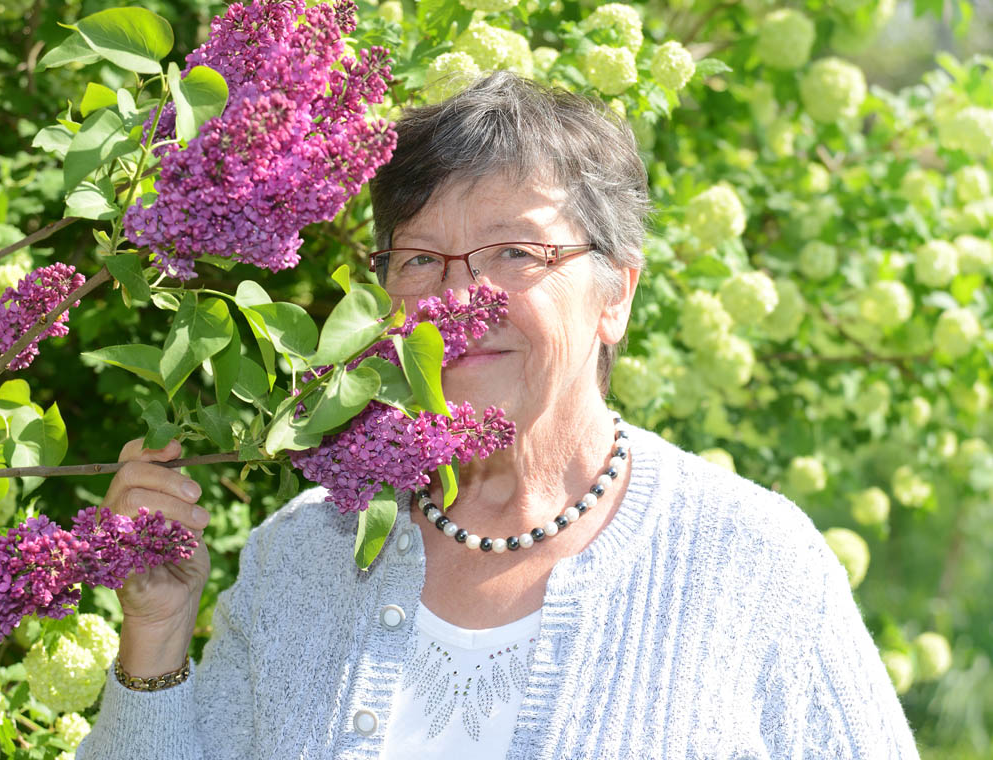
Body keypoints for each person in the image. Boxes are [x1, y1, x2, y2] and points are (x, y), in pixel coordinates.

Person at [78, 72, 919, 759]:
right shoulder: (301, 557)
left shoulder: (755, 566)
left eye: (516, 252)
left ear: (616, 293)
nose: (458, 299)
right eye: (420, 259)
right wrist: (155, 637)